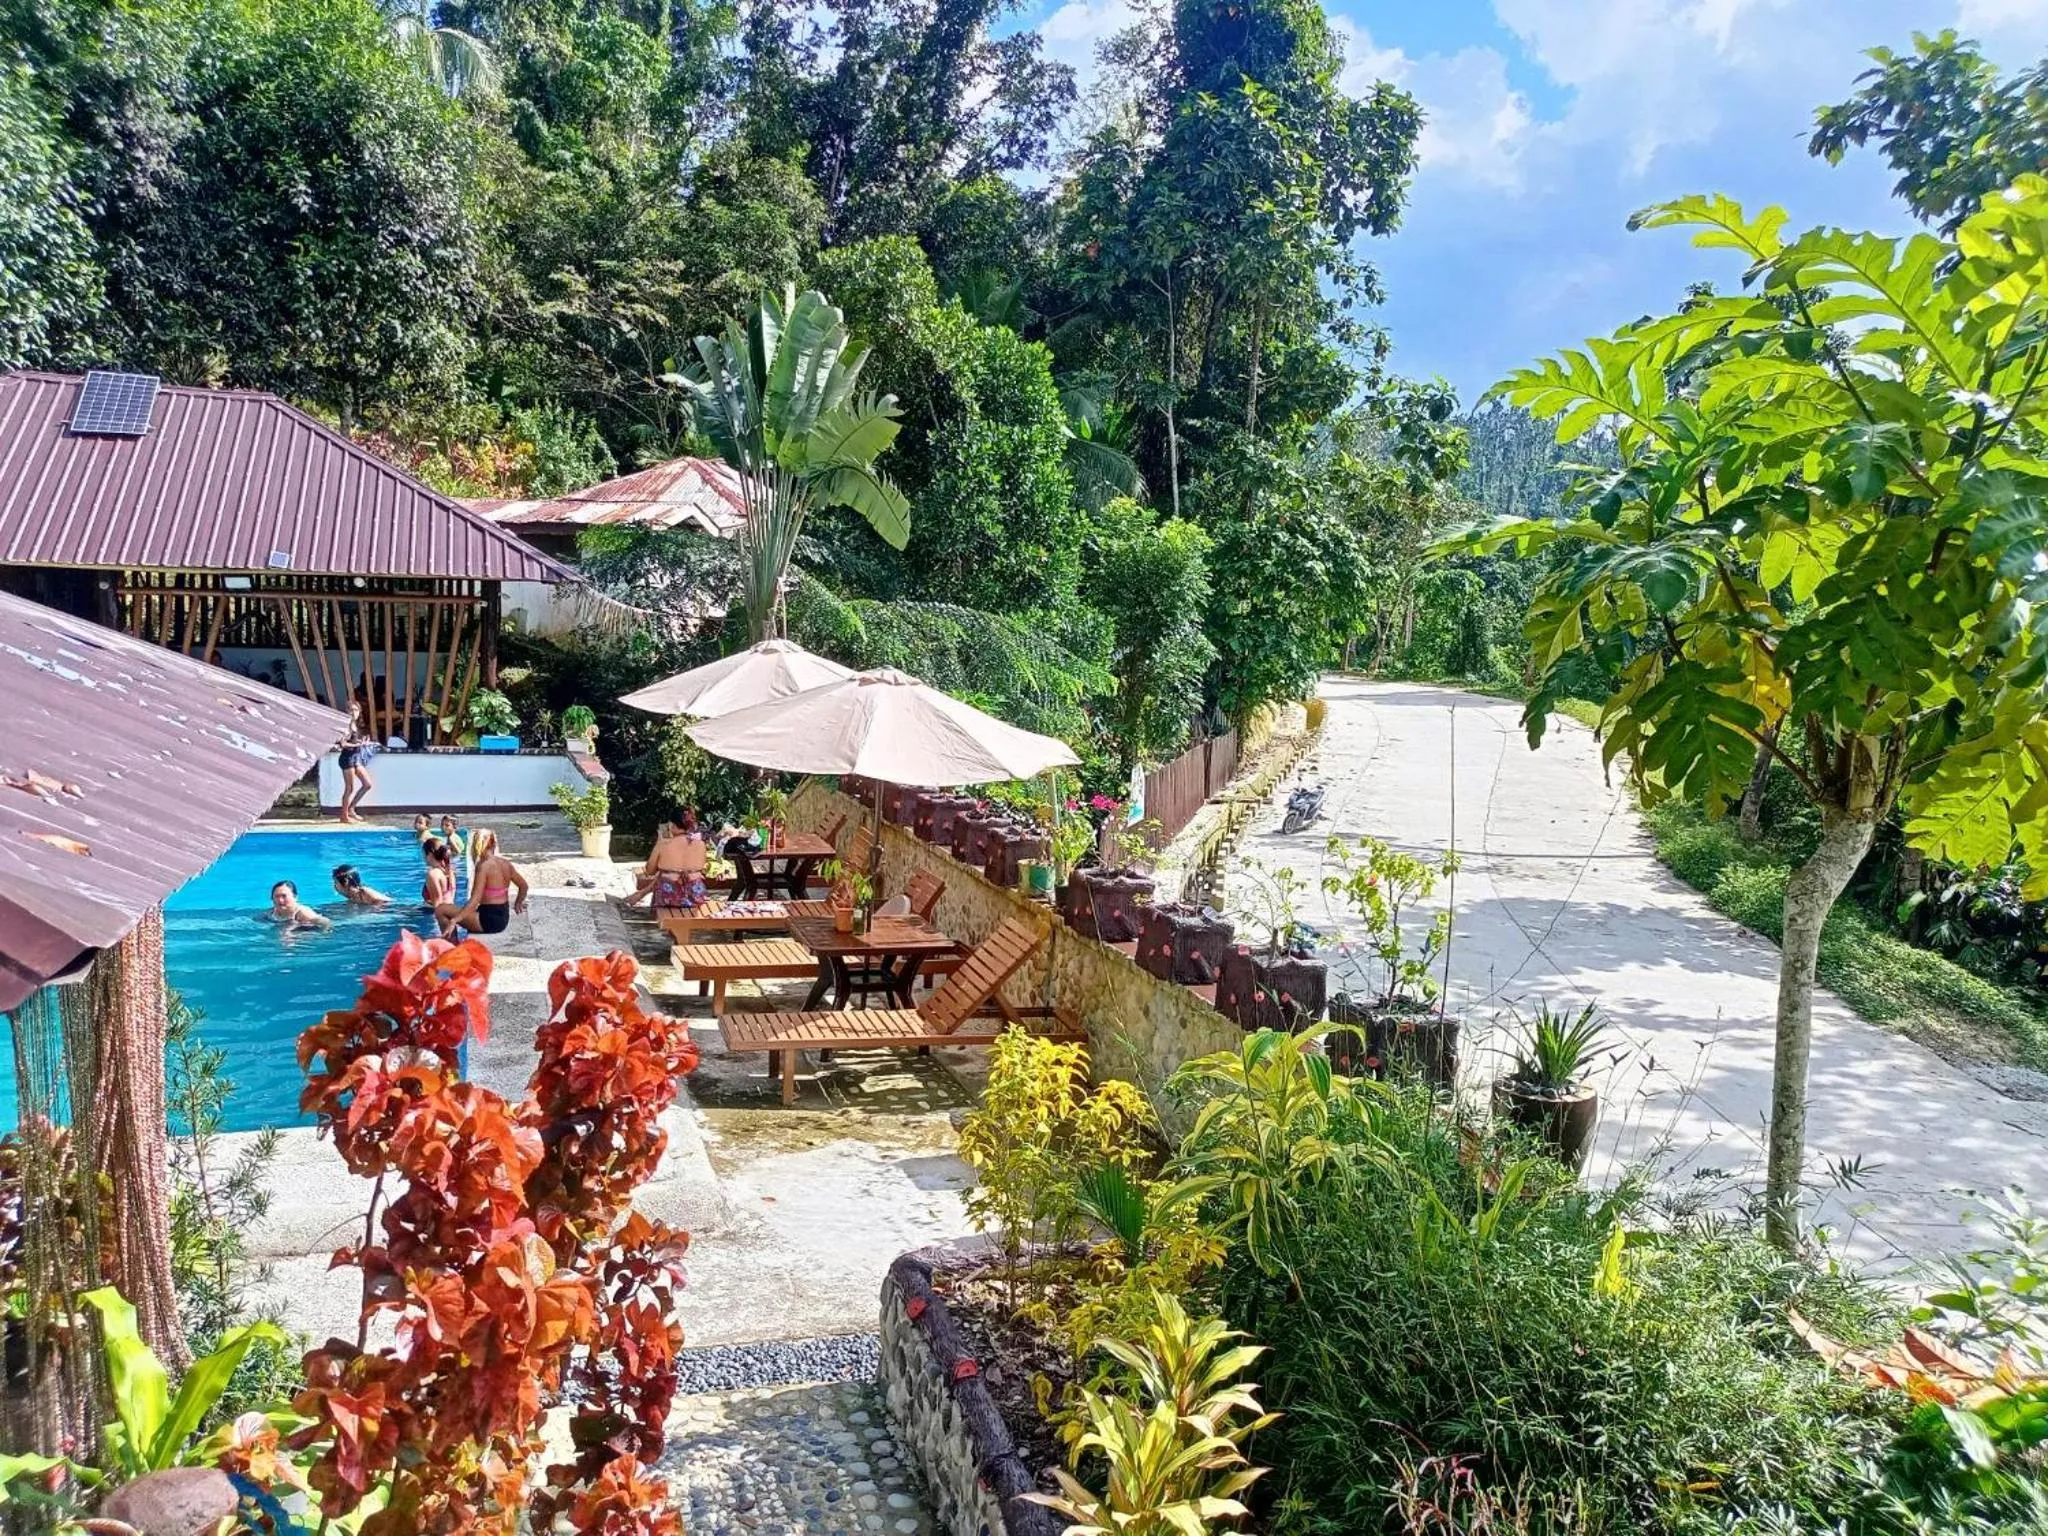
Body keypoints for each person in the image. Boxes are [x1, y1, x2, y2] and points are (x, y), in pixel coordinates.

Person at [449, 828, 528, 935]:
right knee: (460, 911)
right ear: (494, 844)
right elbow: (524, 886)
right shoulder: (505, 863)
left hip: (488, 921)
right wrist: (518, 902)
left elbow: (475, 900)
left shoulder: (483, 866)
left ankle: (450, 945)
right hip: (503, 918)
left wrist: (455, 920)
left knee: (442, 910)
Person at [630, 811, 709, 908]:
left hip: (668, 898)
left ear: (672, 825)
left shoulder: (663, 844)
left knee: (665, 876)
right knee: (668, 875)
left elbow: (650, 871)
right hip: (695, 896)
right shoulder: (701, 844)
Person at [336, 699, 376, 824]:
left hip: (356, 758)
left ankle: (351, 808)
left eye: (356, 710)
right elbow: (342, 744)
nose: (354, 712)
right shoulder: (346, 726)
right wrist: (359, 745)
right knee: (349, 788)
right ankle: (343, 816)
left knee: (367, 784)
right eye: (351, 710)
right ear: (347, 711)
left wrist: (362, 742)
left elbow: (354, 742)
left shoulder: (356, 725)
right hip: (347, 758)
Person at [421, 838, 463, 934]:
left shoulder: (433, 874)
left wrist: (440, 930)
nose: (423, 857)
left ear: (430, 855)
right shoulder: (450, 871)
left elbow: (438, 904)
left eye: (424, 854)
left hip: (438, 919)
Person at [263, 880, 330, 932]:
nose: (280, 900)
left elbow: (326, 922)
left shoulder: (303, 912)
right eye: (276, 896)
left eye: (284, 896)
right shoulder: (272, 912)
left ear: (295, 897)